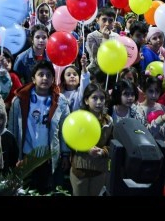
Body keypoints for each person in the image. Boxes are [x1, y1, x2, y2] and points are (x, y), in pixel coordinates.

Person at [7, 60, 70, 194]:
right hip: (25, 156)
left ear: (53, 79)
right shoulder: (19, 100)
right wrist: (13, 156)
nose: (45, 78)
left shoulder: (61, 101)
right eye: (41, 74)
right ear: (33, 78)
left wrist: (65, 153)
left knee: (46, 191)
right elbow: (12, 128)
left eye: (48, 75)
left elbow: (65, 130)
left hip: (48, 158)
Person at [70, 83, 112, 196]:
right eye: (94, 98)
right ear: (86, 100)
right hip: (80, 170)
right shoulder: (78, 118)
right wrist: (86, 149)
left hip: (99, 170)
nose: (98, 102)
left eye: (102, 98)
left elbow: (112, 143)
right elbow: (71, 140)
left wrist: (103, 151)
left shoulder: (108, 121)